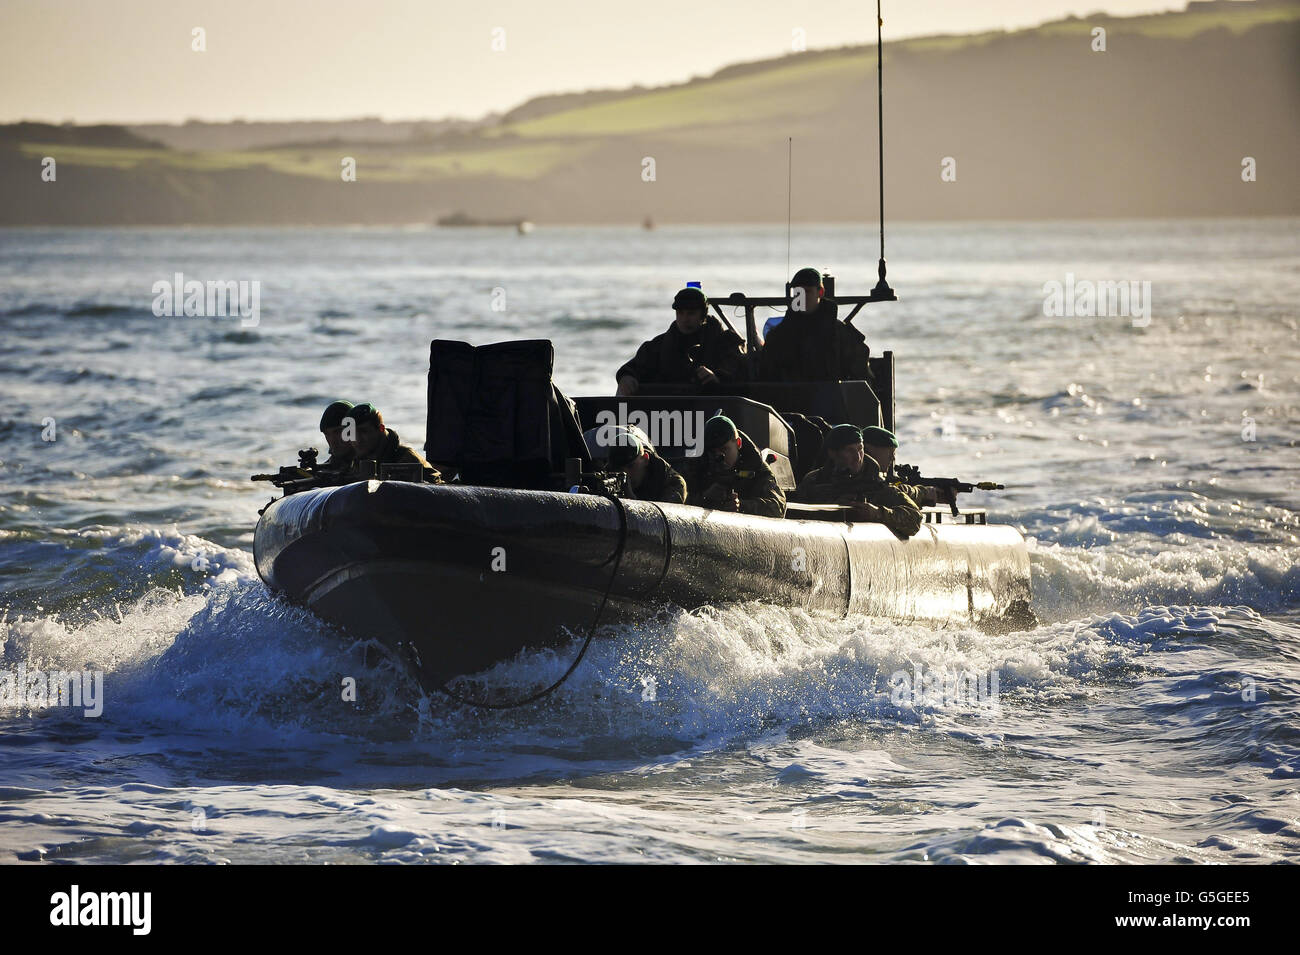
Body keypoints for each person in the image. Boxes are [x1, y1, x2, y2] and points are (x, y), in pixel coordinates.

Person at [789, 424, 922, 539]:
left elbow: (915, 518)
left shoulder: (876, 484)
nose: (858, 457)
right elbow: (793, 516)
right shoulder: (814, 482)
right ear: (833, 453)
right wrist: (832, 509)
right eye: (850, 451)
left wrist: (877, 514)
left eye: (860, 449)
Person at [615, 287, 745, 396]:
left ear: (703, 315)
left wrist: (717, 377)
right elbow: (634, 366)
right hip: (667, 412)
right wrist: (627, 376)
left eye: (691, 313)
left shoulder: (726, 342)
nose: (684, 318)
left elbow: (735, 366)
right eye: (680, 313)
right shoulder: (660, 344)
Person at [759, 267, 870, 382]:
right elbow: (767, 374)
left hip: (831, 396)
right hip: (789, 397)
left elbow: (860, 374)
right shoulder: (779, 334)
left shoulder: (838, 332)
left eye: (807, 291)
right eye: (798, 293)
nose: (802, 297)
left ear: (820, 292)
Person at [687, 415, 785, 517]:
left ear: (738, 443)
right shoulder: (698, 466)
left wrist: (741, 506)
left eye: (724, 449)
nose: (718, 457)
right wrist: (704, 497)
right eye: (712, 452)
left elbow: (778, 507)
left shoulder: (756, 468)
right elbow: (677, 499)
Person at [859, 425, 957, 509]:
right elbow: (891, 494)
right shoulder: (864, 480)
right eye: (890, 452)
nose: (892, 458)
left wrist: (930, 495)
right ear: (868, 449)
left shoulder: (873, 478)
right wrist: (925, 493)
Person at [587, 426, 688, 504]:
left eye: (631, 466)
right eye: (619, 469)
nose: (626, 473)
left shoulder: (674, 483)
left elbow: (657, 524)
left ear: (645, 459)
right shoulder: (609, 476)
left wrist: (632, 500)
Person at [346, 402, 442, 483]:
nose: (357, 439)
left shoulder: (406, 457)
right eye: (352, 433)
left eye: (363, 431)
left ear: (381, 428)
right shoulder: (353, 464)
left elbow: (437, 488)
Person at [319, 399, 356, 472]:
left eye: (338, 432)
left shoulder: (378, 456)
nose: (332, 441)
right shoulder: (331, 465)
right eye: (327, 434)